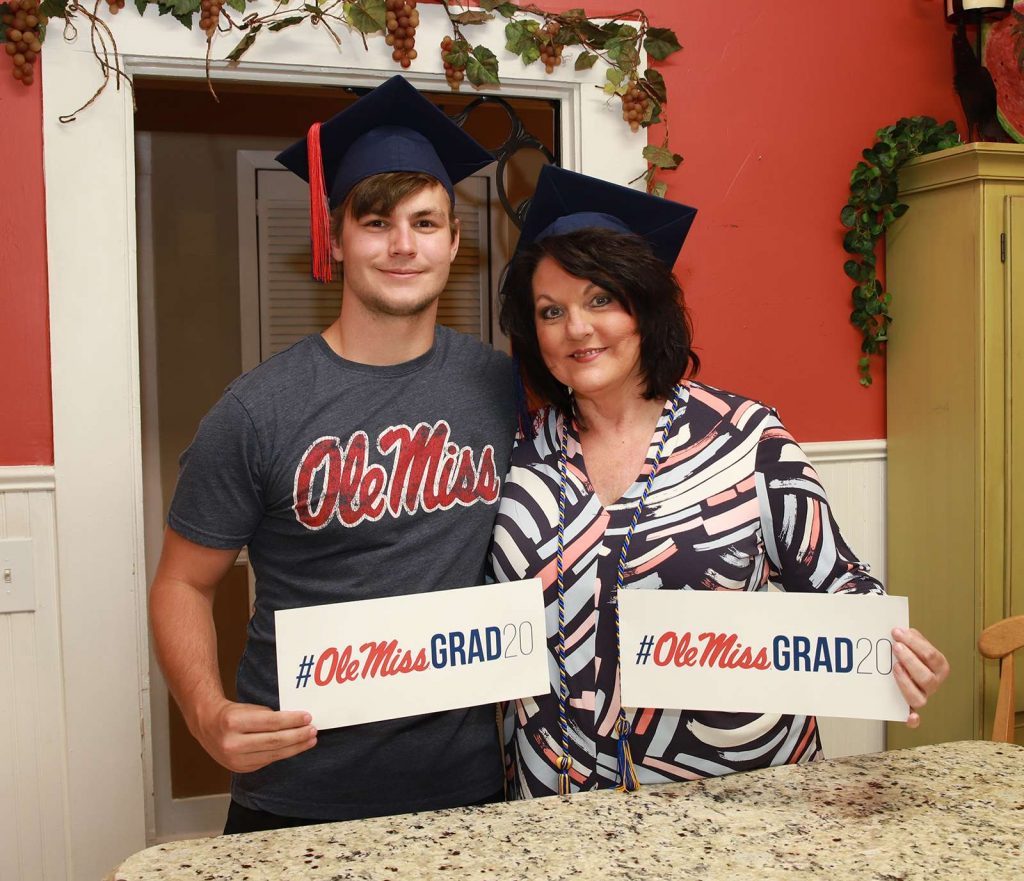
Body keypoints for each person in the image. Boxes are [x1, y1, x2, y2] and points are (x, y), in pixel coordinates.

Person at [489, 165, 949, 799]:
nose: (578, 328)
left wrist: (888, 650)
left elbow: (835, 579)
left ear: (644, 308)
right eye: (551, 310)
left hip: (734, 794)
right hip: (557, 805)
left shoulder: (746, 437)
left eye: (601, 300)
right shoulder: (519, 458)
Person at [149, 75, 517, 833]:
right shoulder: (257, 410)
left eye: (426, 222)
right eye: (378, 222)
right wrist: (204, 709)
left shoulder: (505, 388)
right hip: (297, 795)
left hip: (478, 791)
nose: (404, 245)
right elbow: (182, 583)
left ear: (455, 240)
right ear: (337, 234)